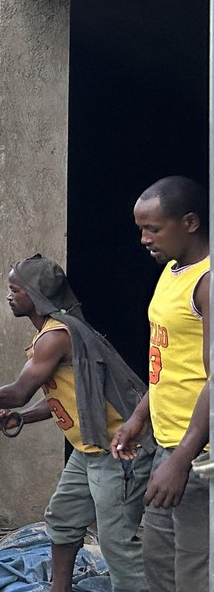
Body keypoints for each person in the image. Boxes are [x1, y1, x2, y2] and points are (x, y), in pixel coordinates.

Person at [0, 255, 150, 592]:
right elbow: (67, 399)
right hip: (88, 452)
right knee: (63, 520)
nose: (9, 295)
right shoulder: (61, 331)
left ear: (35, 295)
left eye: (15, 289)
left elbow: (19, 392)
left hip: (117, 451)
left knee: (117, 544)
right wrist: (22, 418)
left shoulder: (54, 337)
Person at [111, 175, 210, 591]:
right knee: (158, 565)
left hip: (200, 456)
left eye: (154, 228)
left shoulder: (207, 281)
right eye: (141, 229)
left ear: (189, 222)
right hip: (166, 445)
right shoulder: (172, 271)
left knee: (194, 573)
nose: (144, 239)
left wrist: (183, 459)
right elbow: (168, 362)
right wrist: (138, 418)